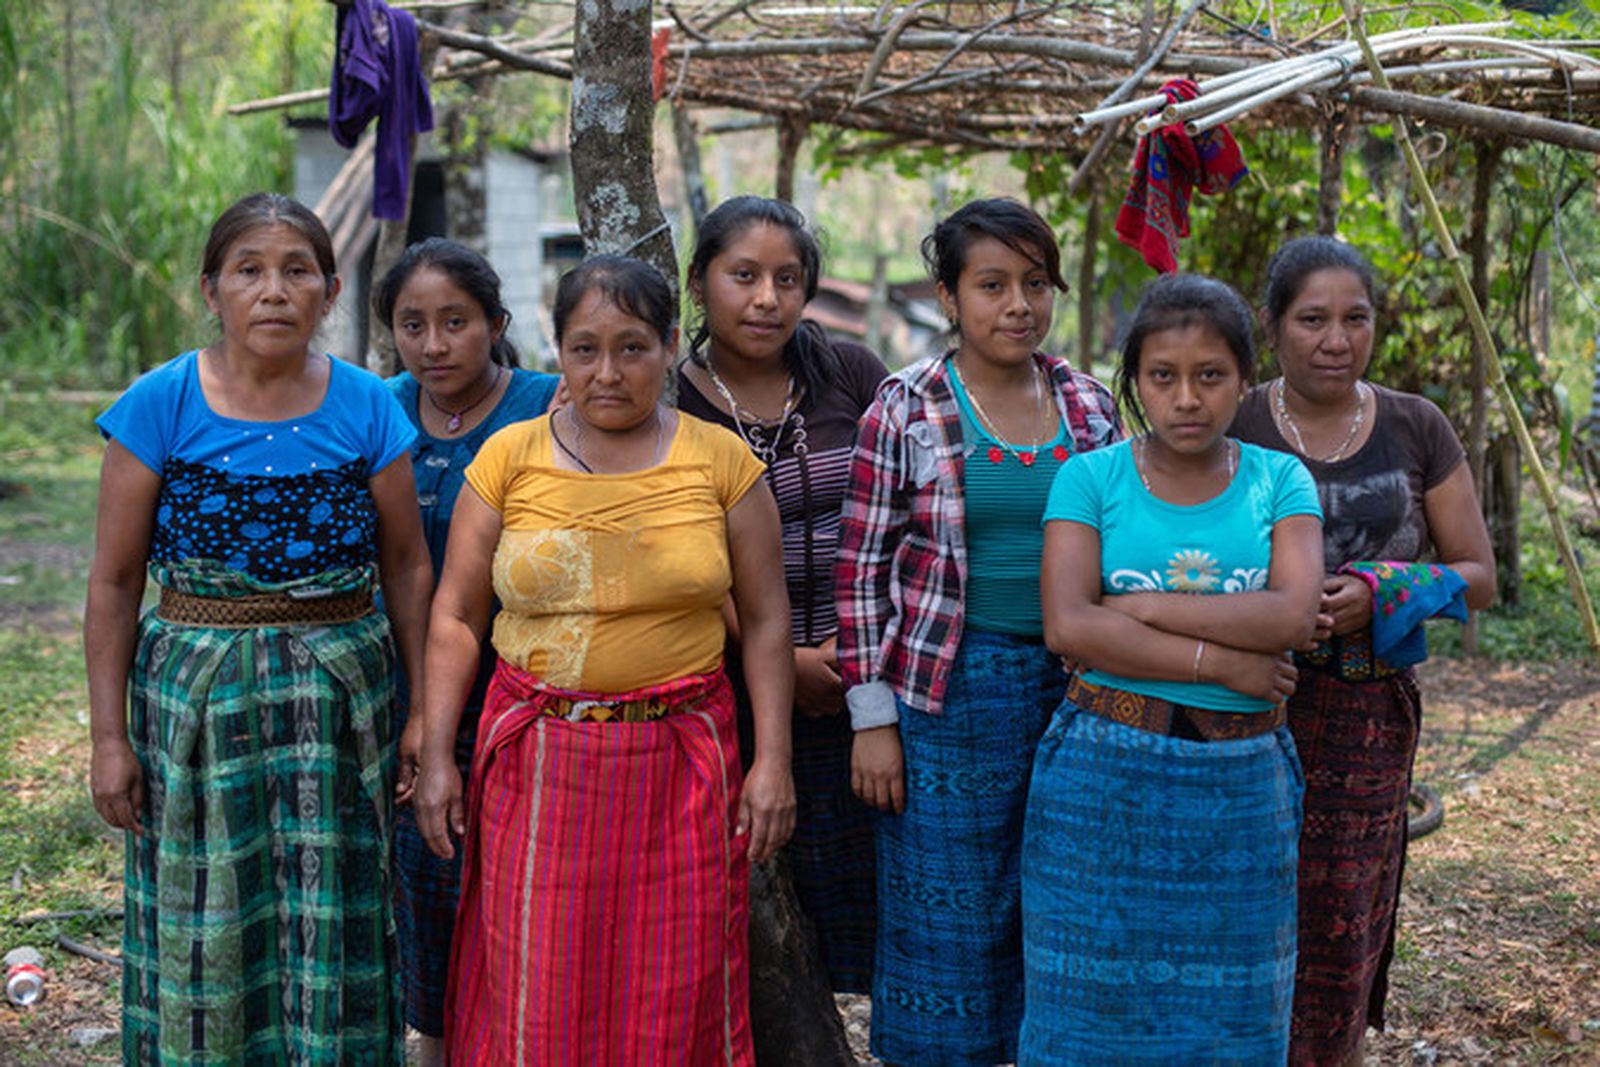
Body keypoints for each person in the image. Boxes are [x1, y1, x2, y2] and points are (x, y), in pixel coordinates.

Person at [414, 255, 796, 1064]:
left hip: (683, 765)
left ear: (667, 347)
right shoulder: (509, 459)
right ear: (557, 352)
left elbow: (764, 621)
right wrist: (441, 753)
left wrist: (773, 764)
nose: (608, 372)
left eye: (632, 348)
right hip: (537, 765)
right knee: (536, 977)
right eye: (584, 350)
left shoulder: (721, 462)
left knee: (676, 983)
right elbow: (454, 615)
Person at [85, 192, 431, 1064]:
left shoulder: (366, 405)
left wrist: (423, 711)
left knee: (335, 907)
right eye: (249, 271)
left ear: (330, 290)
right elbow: (116, 578)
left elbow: (407, 566)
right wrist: (107, 738)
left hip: (337, 703)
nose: (273, 291)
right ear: (212, 290)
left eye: (295, 271)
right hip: (196, 701)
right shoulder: (159, 402)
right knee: (206, 904)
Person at [835, 197, 1121, 1065]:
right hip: (943, 695)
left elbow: (1123, 542)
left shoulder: (1088, 404)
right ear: (948, 296)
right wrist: (874, 719)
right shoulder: (906, 406)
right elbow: (860, 576)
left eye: (1035, 283)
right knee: (946, 912)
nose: (1018, 305)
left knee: (1060, 898)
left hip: (1077, 692)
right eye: (991, 284)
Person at [1026, 272, 1325, 1064]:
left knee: (1236, 1014)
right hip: (1101, 779)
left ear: (1244, 381)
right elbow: (1068, 624)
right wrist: (1225, 660)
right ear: (1136, 384)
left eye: (1210, 376)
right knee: (1085, 1009)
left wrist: (1139, 607)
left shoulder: (1280, 480)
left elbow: (1294, 614)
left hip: (1242, 784)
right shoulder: (1089, 478)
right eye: (1164, 376)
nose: (1187, 397)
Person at [1231, 236, 1495, 1066]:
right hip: (1239, 704)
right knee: (1243, 907)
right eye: (1312, 319)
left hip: (1366, 717)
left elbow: (1477, 573)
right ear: (1272, 326)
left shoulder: (1417, 425)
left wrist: (1382, 591)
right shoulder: (1228, 417)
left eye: (1356, 318)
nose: (1336, 339)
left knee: (1343, 914)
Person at [678, 196, 888, 995]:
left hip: (863, 682)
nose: (767, 298)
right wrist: (779, 657)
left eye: (787, 278)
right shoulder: (668, 402)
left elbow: (898, 517)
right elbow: (683, 554)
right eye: (744, 276)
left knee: (869, 913)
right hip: (732, 690)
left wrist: (850, 655)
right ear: (700, 283)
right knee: (756, 912)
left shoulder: (852, 375)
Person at [374, 238, 559, 1064]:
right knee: (424, 867)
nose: (434, 344)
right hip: (402, 682)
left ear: (497, 323)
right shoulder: (376, 411)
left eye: (456, 322)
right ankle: (433, 1037)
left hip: (523, 686)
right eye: (412, 325)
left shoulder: (550, 406)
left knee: (521, 879)